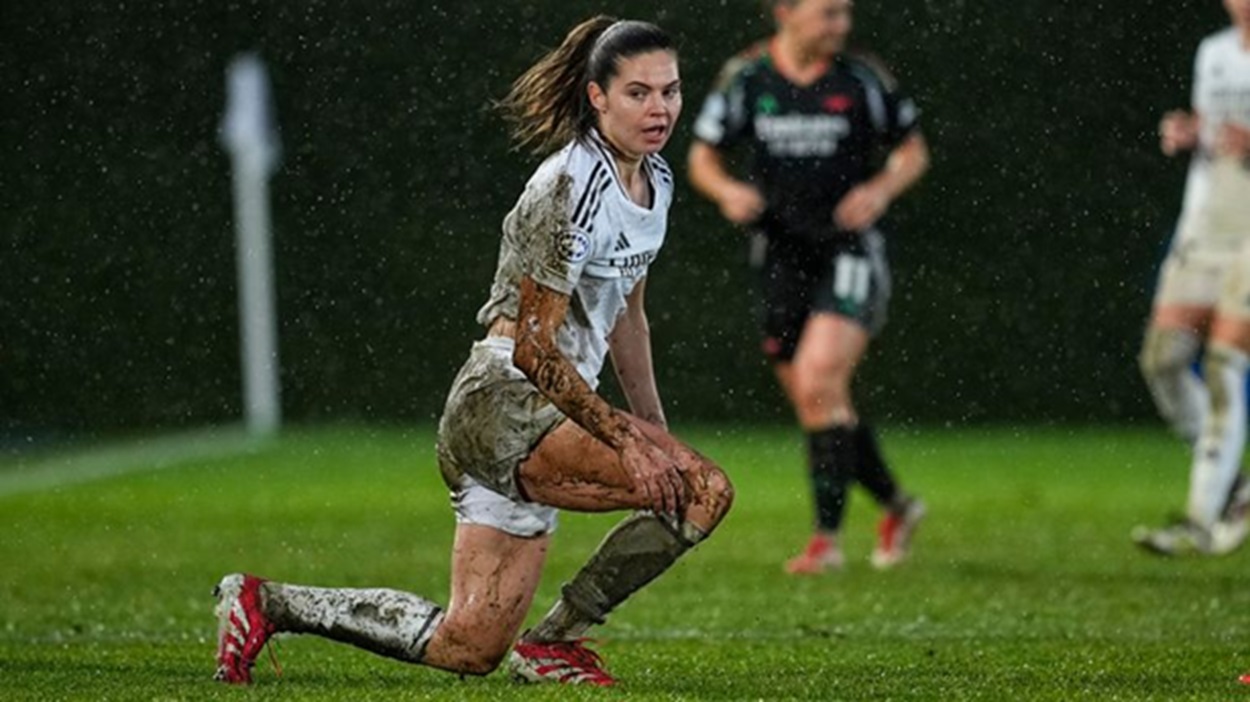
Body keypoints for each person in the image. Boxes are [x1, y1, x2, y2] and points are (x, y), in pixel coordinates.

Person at [211, 16, 733, 687]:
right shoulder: (569, 186)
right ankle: (556, 643)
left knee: (469, 645)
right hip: (506, 402)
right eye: (639, 92)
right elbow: (537, 351)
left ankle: (265, 602)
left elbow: (628, 313)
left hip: (546, 412)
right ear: (597, 96)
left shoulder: (655, 180)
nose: (660, 107)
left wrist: (651, 426)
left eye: (671, 90)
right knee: (702, 489)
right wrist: (628, 443)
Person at [687, 0, 928, 573]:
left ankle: (827, 543)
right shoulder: (747, 78)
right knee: (820, 403)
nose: (842, 26)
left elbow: (913, 149)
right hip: (779, 256)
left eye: (845, 13)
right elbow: (702, 156)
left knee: (821, 381)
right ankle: (897, 504)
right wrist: (724, 191)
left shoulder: (862, 79)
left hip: (849, 251)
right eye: (829, 13)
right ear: (785, 12)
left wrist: (882, 190)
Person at [1134, 0, 1250, 558]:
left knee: (1227, 365)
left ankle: (1202, 519)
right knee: (1164, 359)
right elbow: (1214, 132)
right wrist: (1187, 132)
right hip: (1204, 225)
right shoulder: (1216, 53)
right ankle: (1236, 489)